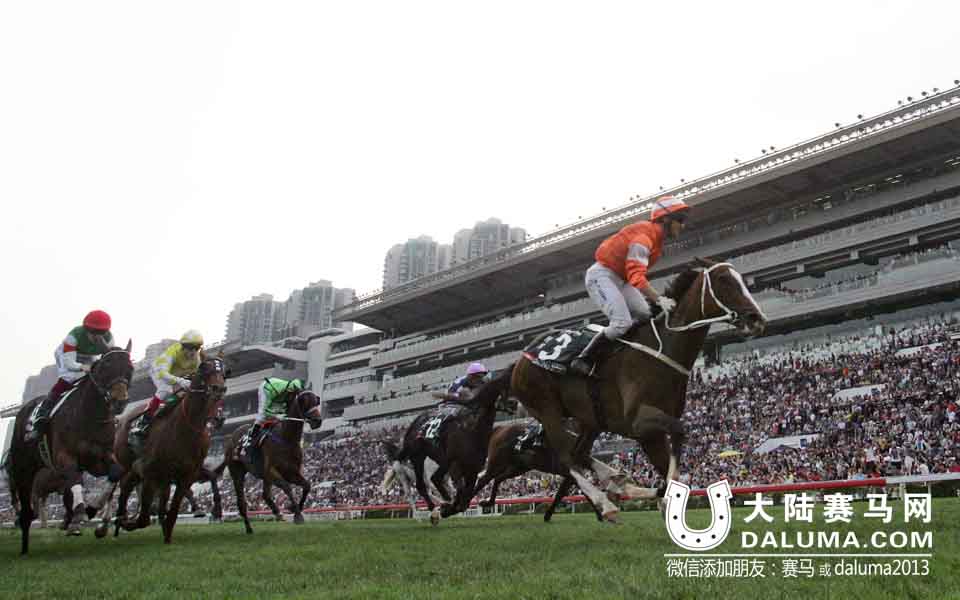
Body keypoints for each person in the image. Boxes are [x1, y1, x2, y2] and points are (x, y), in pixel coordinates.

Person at [570, 196, 690, 377]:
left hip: (621, 279)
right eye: (680, 220)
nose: (683, 226)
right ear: (665, 219)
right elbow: (637, 277)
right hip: (601, 276)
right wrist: (659, 299)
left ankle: (623, 350)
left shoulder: (656, 239)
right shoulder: (644, 238)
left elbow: (632, 277)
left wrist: (656, 300)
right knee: (622, 323)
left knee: (645, 314)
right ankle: (583, 358)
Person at [27, 310, 114, 441]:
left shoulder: (109, 339)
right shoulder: (73, 337)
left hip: (89, 356)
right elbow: (69, 363)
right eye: (93, 332)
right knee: (68, 378)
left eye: (101, 332)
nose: (97, 336)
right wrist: (82, 367)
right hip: (67, 356)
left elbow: (108, 359)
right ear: (86, 329)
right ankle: (41, 416)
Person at [132, 330, 204, 440]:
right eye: (190, 347)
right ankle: (143, 422)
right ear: (183, 346)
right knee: (165, 390)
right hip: (159, 371)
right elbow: (163, 374)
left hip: (176, 374)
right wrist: (181, 381)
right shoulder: (172, 353)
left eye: (197, 348)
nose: (193, 351)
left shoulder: (196, 359)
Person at [243, 377, 305, 458]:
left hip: (279, 394)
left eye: (295, 394)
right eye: (293, 393)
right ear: (290, 389)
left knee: (281, 413)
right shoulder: (274, 391)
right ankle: (250, 439)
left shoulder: (292, 393)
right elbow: (266, 411)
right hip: (267, 389)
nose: (293, 396)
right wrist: (276, 416)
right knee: (262, 416)